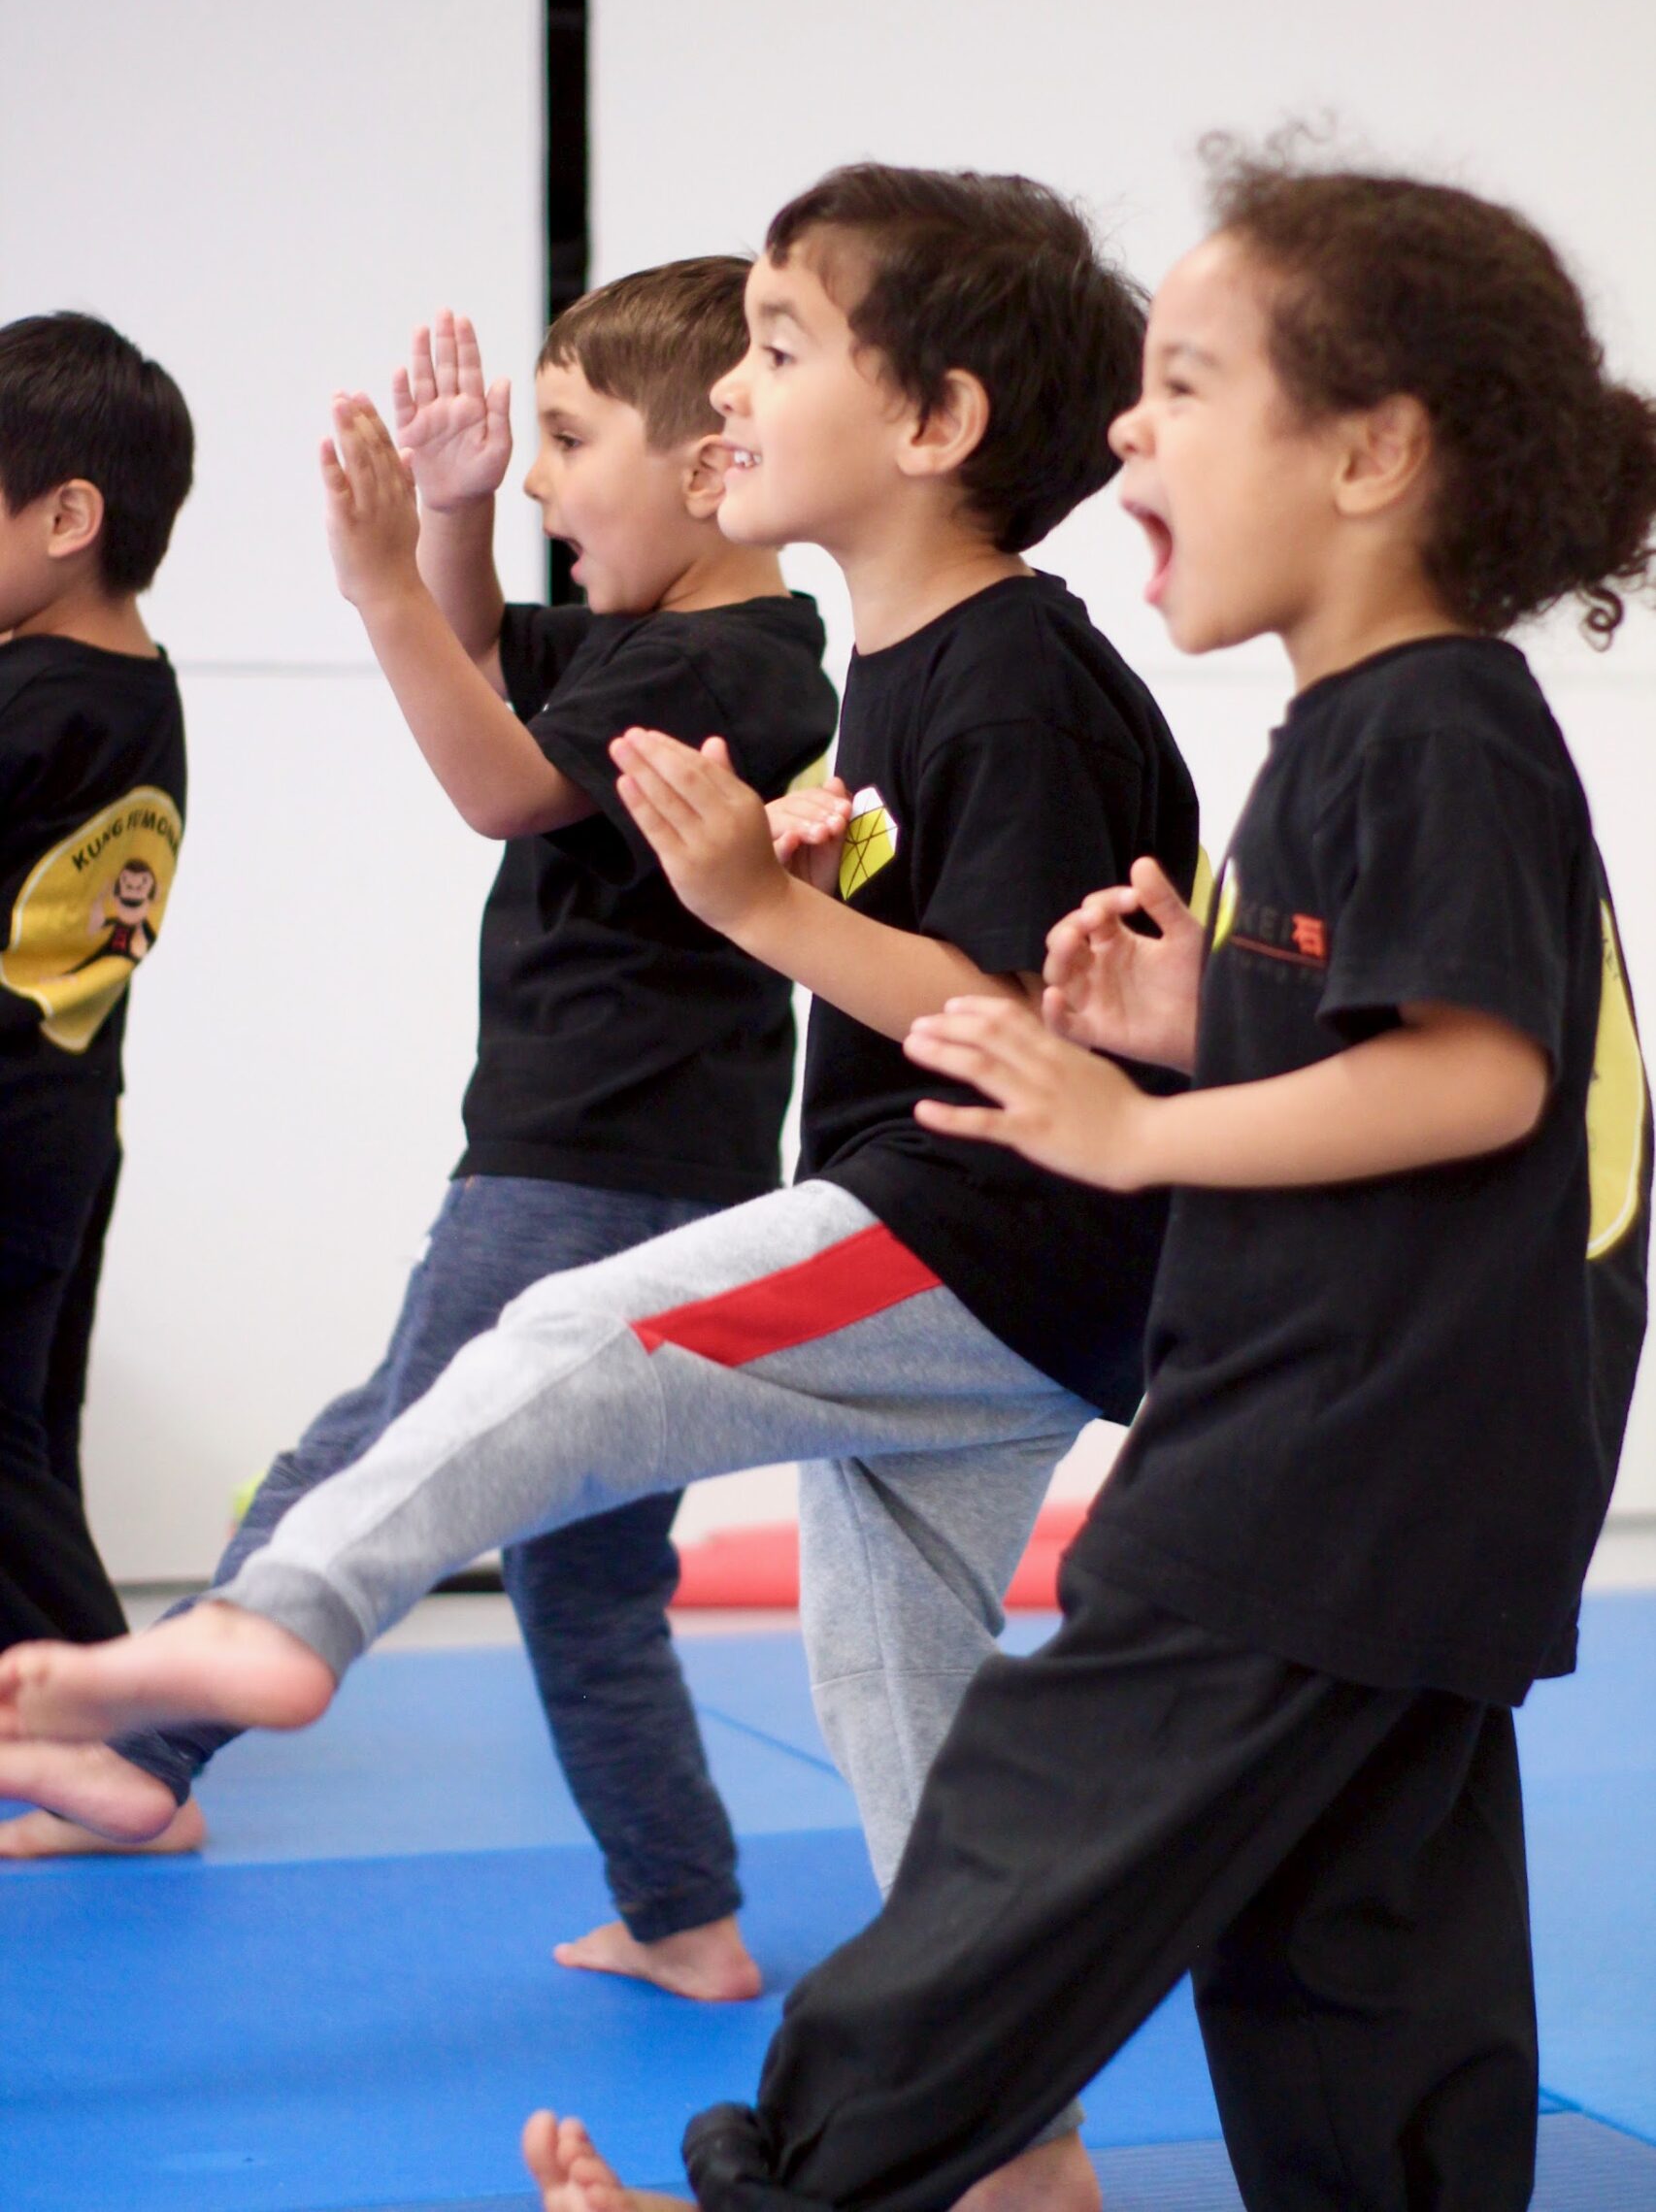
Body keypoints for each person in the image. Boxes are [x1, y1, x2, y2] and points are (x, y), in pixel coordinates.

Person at [0, 161, 1199, 2212]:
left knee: (562, 1336)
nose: (733, 398)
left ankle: (282, 1621)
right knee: (900, 1706)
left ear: (936, 425)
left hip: (984, 1230)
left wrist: (754, 901)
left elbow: (1012, 1010)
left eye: (777, 348)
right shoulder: (901, 664)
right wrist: (790, 886)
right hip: (993, 1257)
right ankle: (1019, 2146)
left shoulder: (1000, 667)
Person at [508, 149, 1656, 2212]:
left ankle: (780, 2192)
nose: (1125, 427)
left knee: (1022, 1839)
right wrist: (1185, 1013)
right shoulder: (1358, 732)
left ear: (1376, 451)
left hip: (1329, 1456)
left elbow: (1481, 1074)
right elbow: (1376, 1042)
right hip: (1418, 1470)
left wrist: (1126, 1127)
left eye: (1190, 386)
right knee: (1355, 1945)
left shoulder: (1426, 727)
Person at [0, 270, 840, 2007]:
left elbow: (498, 786)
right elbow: (483, 670)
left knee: (360, 1460)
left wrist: (383, 578)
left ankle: (142, 1766)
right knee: (587, 1576)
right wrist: (451, 517)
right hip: (616, 1161)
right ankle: (684, 1910)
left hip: (583, 1165)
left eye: (563, 444)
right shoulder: (653, 639)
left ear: (703, 470)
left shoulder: (736, 669)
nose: (537, 483)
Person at [0, 313, 191, 1657]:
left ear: (68, 513)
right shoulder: (134, 689)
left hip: (10, 1120)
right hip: (61, 1121)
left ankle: (116, 1719)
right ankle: (54, 1691)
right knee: (29, 1425)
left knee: (4, 1449)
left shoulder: (34, 701)